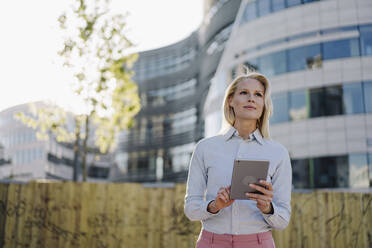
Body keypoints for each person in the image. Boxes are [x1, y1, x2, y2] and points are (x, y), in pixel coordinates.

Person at [184, 72, 292, 248]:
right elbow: (191, 208)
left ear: (264, 104)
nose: (251, 99)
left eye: (258, 94)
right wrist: (215, 205)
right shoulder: (205, 148)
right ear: (230, 101)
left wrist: (267, 208)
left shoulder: (278, 153)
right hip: (212, 242)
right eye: (244, 93)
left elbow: (283, 220)